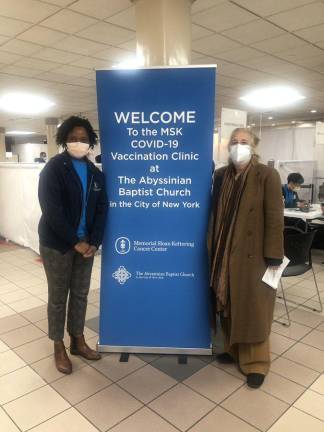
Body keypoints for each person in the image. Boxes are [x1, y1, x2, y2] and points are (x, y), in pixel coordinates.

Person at [208, 128, 284, 389]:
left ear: (254, 147)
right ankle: (232, 350)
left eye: (244, 142)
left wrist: (274, 255)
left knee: (253, 308)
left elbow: (275, 217)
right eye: (234, 142)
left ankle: (256, 363)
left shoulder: (266, 175)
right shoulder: (220, 175)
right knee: (227, 300)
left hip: (253, 255)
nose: (238, 146)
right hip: (223, 250)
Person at [38, 116, 108, 375]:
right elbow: (51, 211)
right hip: (58, 244)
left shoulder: (95, 173)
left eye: (84, 139)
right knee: (58, 297)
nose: (79, 142)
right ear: (64, 140)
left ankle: (77, 340)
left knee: (80, 293)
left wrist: (94, 242)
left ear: (91, 143)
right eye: (73, 138)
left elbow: (102, 209)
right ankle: (59, 346)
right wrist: (74, 242)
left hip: (86, 246)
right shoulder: (54, 169)